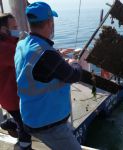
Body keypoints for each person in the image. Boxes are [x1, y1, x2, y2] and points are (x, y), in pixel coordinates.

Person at [14, 2, 82, 150]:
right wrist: (75, 62)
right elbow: (73, 75)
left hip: (30, 115)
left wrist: (56, 55)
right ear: (50, 23)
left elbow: (37, 64)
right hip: (49, 124)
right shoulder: (47, 55)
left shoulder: (22, 44)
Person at [0, 13, 32, 150]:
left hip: (8, 94)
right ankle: (25, 146)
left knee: (20, 118)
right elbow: (24, 58)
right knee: (25, 126)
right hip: (11, 96)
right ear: (3, 29)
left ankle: (8, 124)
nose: (17, 28)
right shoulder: (4, 48)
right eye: (14, 26)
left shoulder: (8, 43)